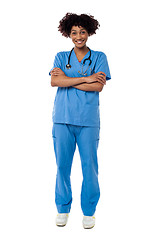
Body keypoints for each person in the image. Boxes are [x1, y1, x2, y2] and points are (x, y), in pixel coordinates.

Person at [49, 13, 111, 229]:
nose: (78, 36)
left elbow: (98, 86)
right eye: (74, 32)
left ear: (89, 33)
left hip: (88, 121)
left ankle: (89, 211)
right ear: (68, 34)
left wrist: (67, 80)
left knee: (90, 167)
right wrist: (86, 78)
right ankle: (63, 208)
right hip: (62, 120)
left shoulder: (99, 57)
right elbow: (54, 81)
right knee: (62, 166)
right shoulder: (60, 56)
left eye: (82, 32)